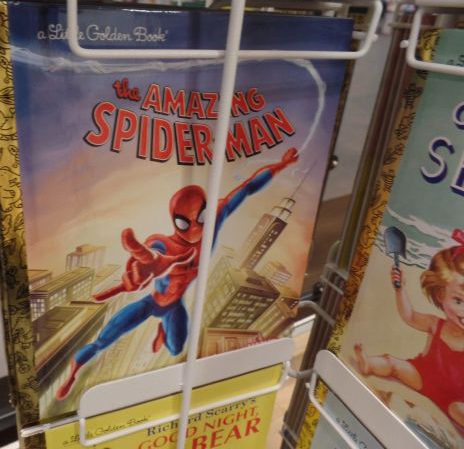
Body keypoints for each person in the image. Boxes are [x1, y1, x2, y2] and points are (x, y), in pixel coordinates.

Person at [55, 148, 299, 400]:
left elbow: (247, 188)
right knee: (102, 342)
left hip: (174, 307)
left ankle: (163, 331)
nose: (194, 229)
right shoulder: (164, 244)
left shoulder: (215, 218)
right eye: (184, 222)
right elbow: (151, 254)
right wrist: (146, 266)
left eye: (200, 218)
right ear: (174, 221)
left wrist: (281, 164)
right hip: (151, 303)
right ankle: (72, 375)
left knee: (175, 349)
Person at [354, 231, 464, 434]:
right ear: (440, 295)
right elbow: (410, 316)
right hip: (422, 376)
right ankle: (369, 364)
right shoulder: (435, 324)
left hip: (455, 399)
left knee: (460, 411)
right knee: (393, 363)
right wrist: (400, 290)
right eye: (458, 301)